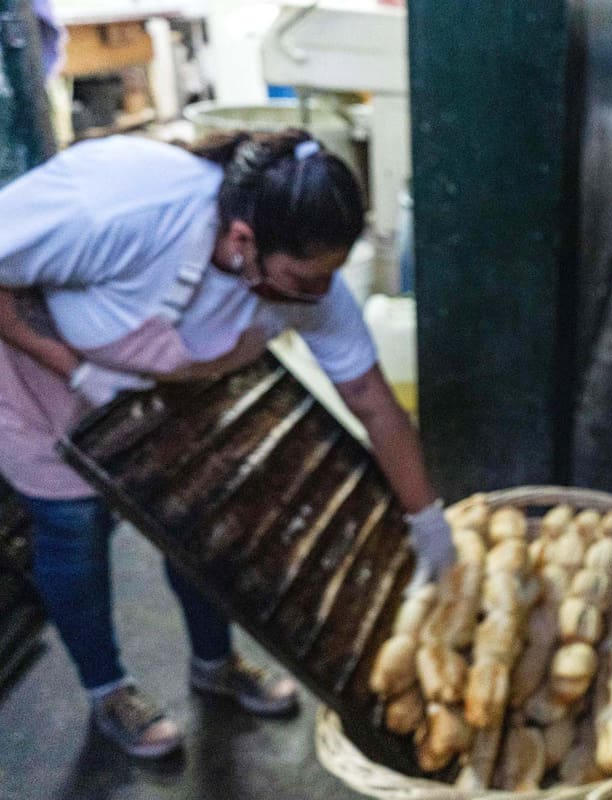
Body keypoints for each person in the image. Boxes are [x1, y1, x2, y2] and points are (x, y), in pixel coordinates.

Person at [0, 129, 456, 758]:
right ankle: (108, 691)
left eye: (328, 278)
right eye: (301, 280)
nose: (317, 298)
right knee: (73, 528)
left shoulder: (302, 283)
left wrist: (426, 516)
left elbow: (375, 404)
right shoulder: (121, 207)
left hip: (164, 381)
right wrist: (72, 368)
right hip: (39, 369)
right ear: (243, 241)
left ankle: (214, 663)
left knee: (204, 518)